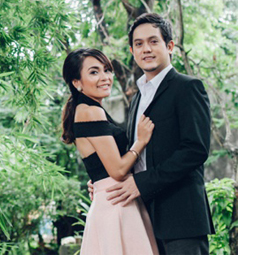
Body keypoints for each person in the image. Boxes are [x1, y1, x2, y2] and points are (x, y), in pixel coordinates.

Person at [103, 13, 215, 254]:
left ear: (170, 46)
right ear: (132, 51)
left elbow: (195, 150)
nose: (146, 49)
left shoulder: (187, 87)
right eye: (139, 44)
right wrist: (105, 180)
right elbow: (136, 153)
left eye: (154, 41)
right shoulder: (137, 97)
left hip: (181, 218)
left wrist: (141, 183)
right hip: (141, 216)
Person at [62, 48, 158, 255]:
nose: (105, 77)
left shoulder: (88, 109)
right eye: (94, 72)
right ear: (77, 82)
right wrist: (140, 142)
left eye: (106, 70)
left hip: (114, 199)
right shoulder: (90, 111)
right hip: (117, 203)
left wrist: (97, 183)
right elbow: (117, 170)